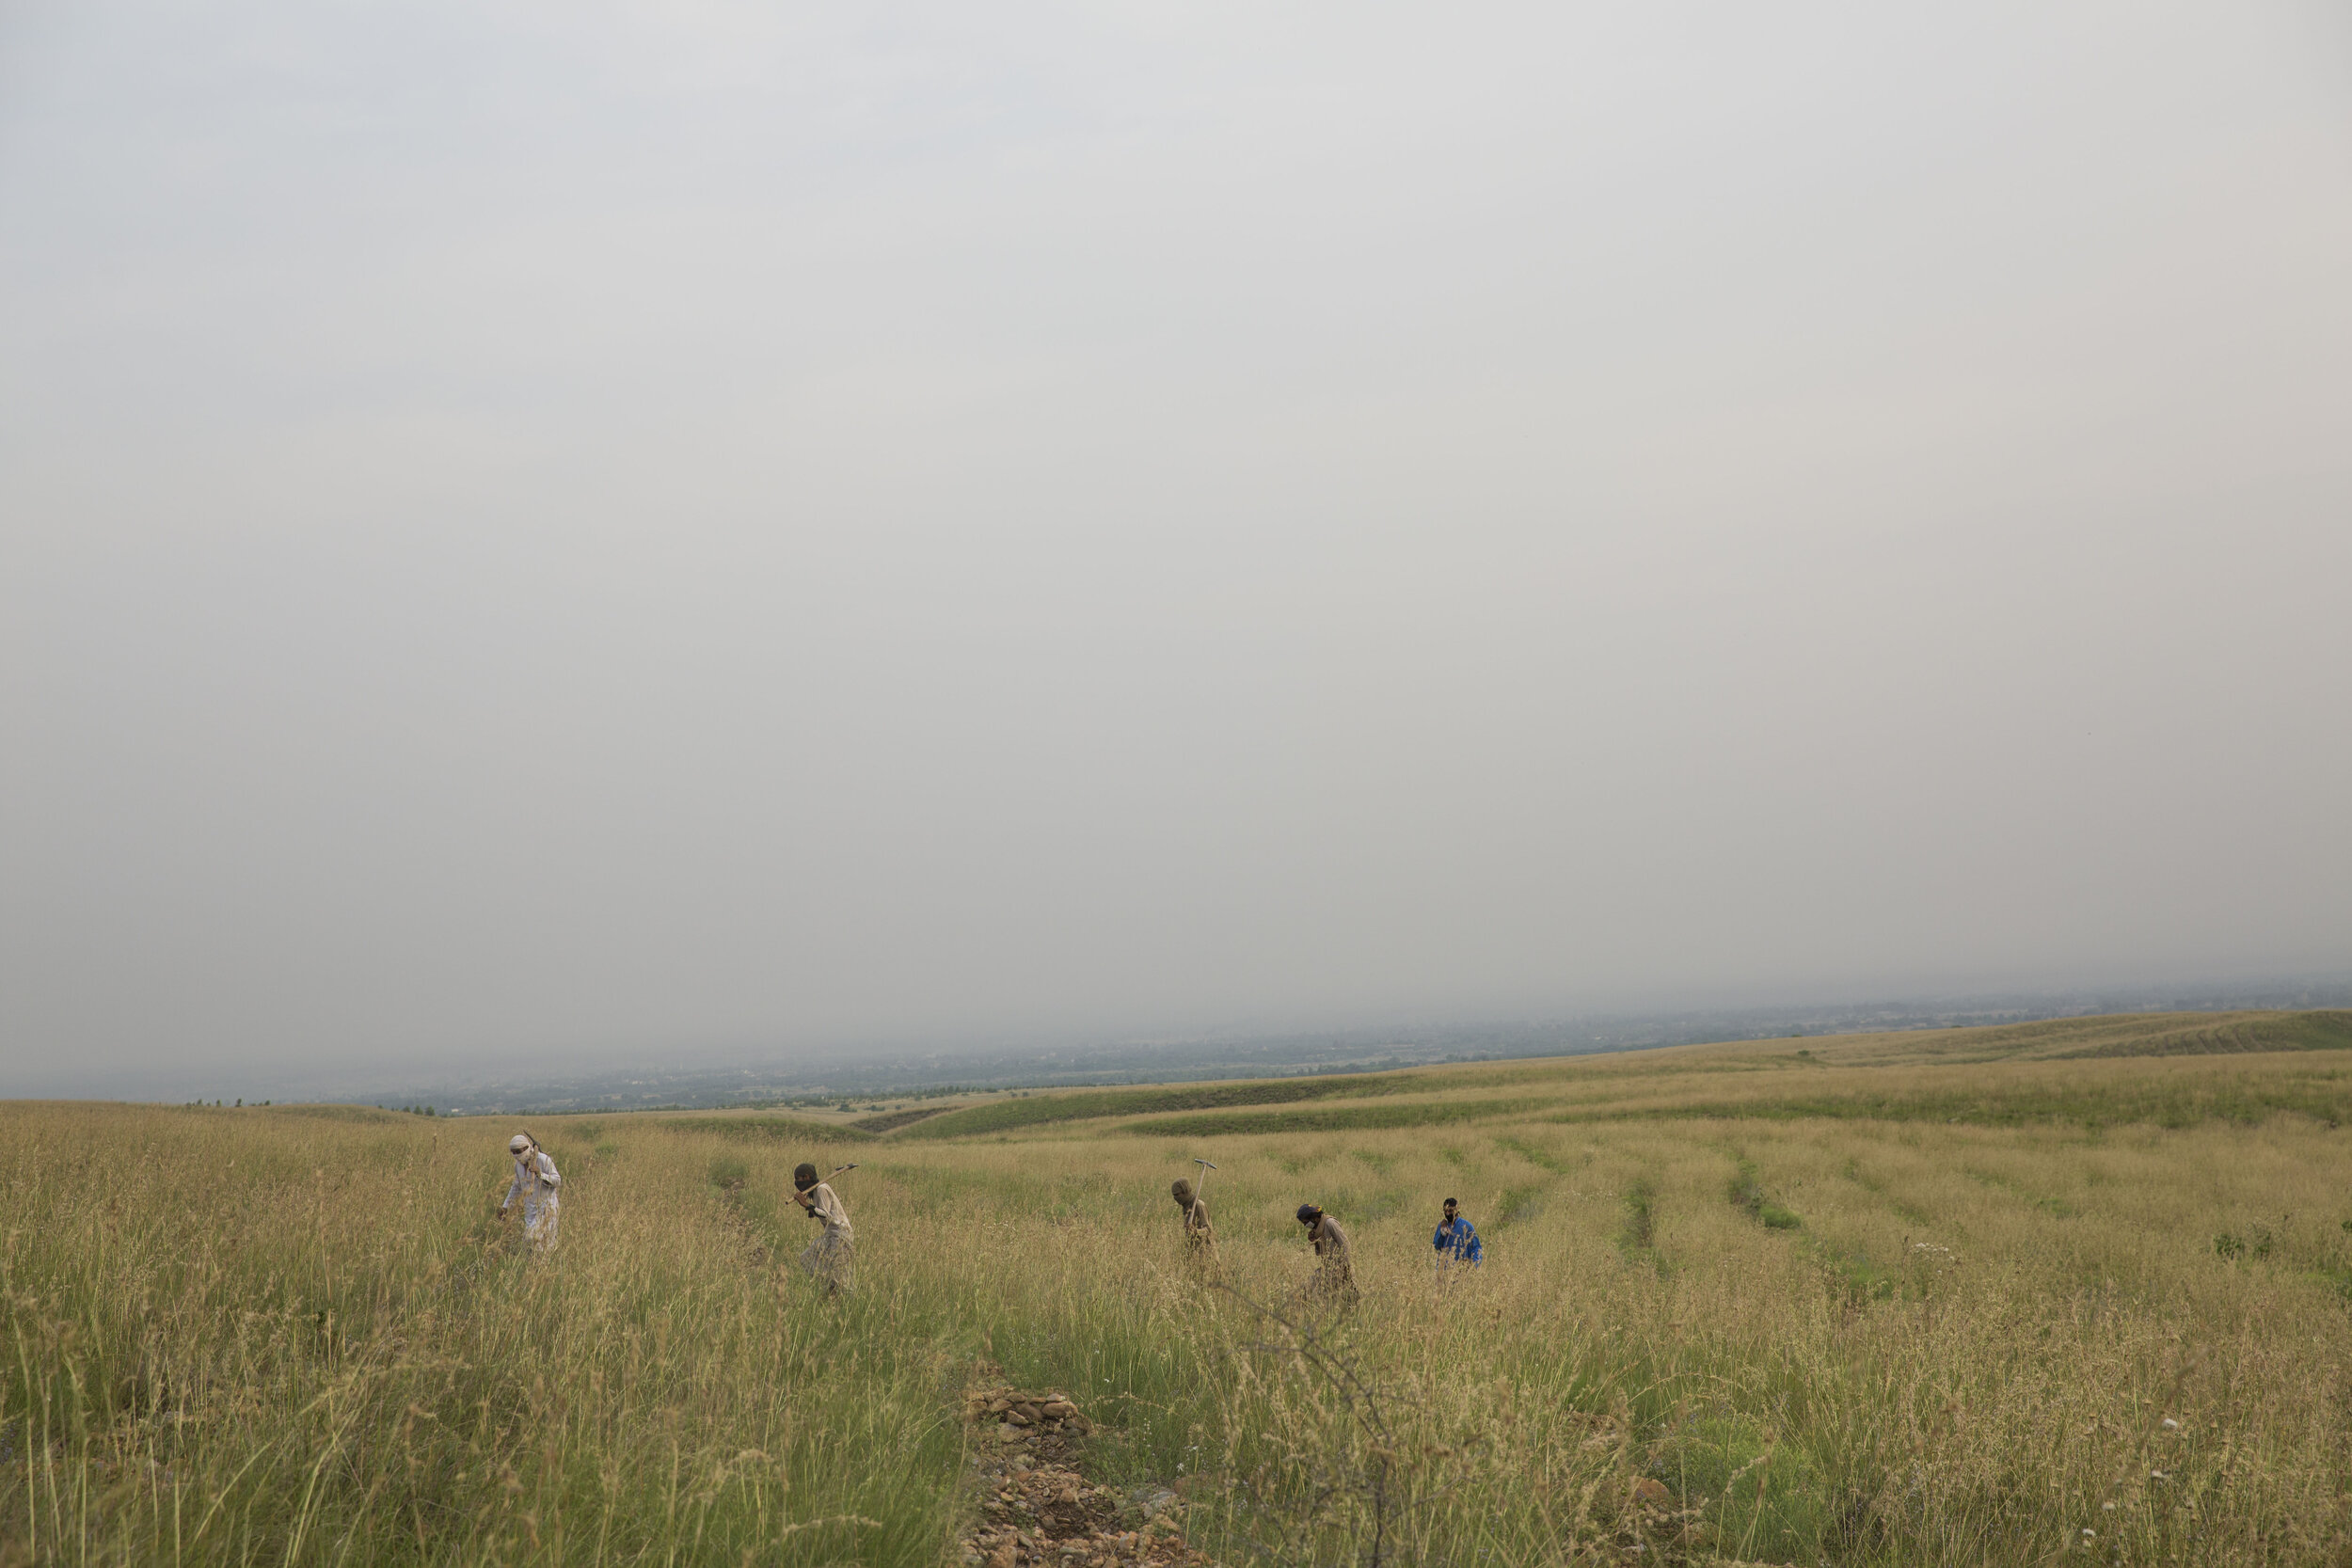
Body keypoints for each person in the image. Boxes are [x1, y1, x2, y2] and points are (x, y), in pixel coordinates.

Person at [793, 1162, 855, 1295]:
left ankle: (842, 1299)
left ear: (806, 1177)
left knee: (840, 1275)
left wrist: (806, 1205)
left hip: (840, 1235)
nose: (796, 1182)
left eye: (798, 1179)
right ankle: (830, 1290)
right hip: (830, 1235)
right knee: (806, 1258)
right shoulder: (815, 1191)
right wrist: (810, 1208)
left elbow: (826, 1215)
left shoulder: (821, 1189)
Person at [499, 1132, 562, 1250]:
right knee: (530, 1242)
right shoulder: (518, 1166)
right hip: (530, 1209)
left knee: (541, 1242)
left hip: (547, 1207)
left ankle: (543, 1266)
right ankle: (536, 1266)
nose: (516, 1155)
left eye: (518, 1151)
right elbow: (516, 1187)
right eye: (513, 1152)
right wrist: (506, 1206)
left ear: (526, 1148)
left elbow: (557, 1181)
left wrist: (541, 1174)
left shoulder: (543, 1160)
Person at [1295, 1203, 1359, 1307]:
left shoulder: (1330, 1223)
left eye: (1306, 1222)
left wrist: (1346, 1267)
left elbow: (1345, 1244)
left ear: (1314, 1218)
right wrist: (1315, 1240)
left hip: (1340, 1266)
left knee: (1347, 1294)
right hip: (1329, 1267)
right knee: (1308, 1288)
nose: (1305, 1226)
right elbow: (1320, 1253)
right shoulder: (1318, 1229)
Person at [1433, 1197, 1482, 1277]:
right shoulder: (1442, 1225)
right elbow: (1437, 1246)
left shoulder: (1466, 1226)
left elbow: (1477, 1247)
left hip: (1462, 1271)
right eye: (1445, 1211)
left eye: (1450, 1211)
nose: (1447, 1214)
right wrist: (1442, 1232)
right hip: (1444, 1270)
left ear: (1456, 1210)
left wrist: (1475, 1265)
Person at [1171, 1178, 1216, 1262]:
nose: (1175, 1198)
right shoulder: (1186, 1207)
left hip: (1206, 1252)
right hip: (1193, 1252)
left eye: (1177, 1195)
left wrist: (1196, 1231)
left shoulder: (1199, 1206)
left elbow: (1208, 1230)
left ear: (1185, 1191)